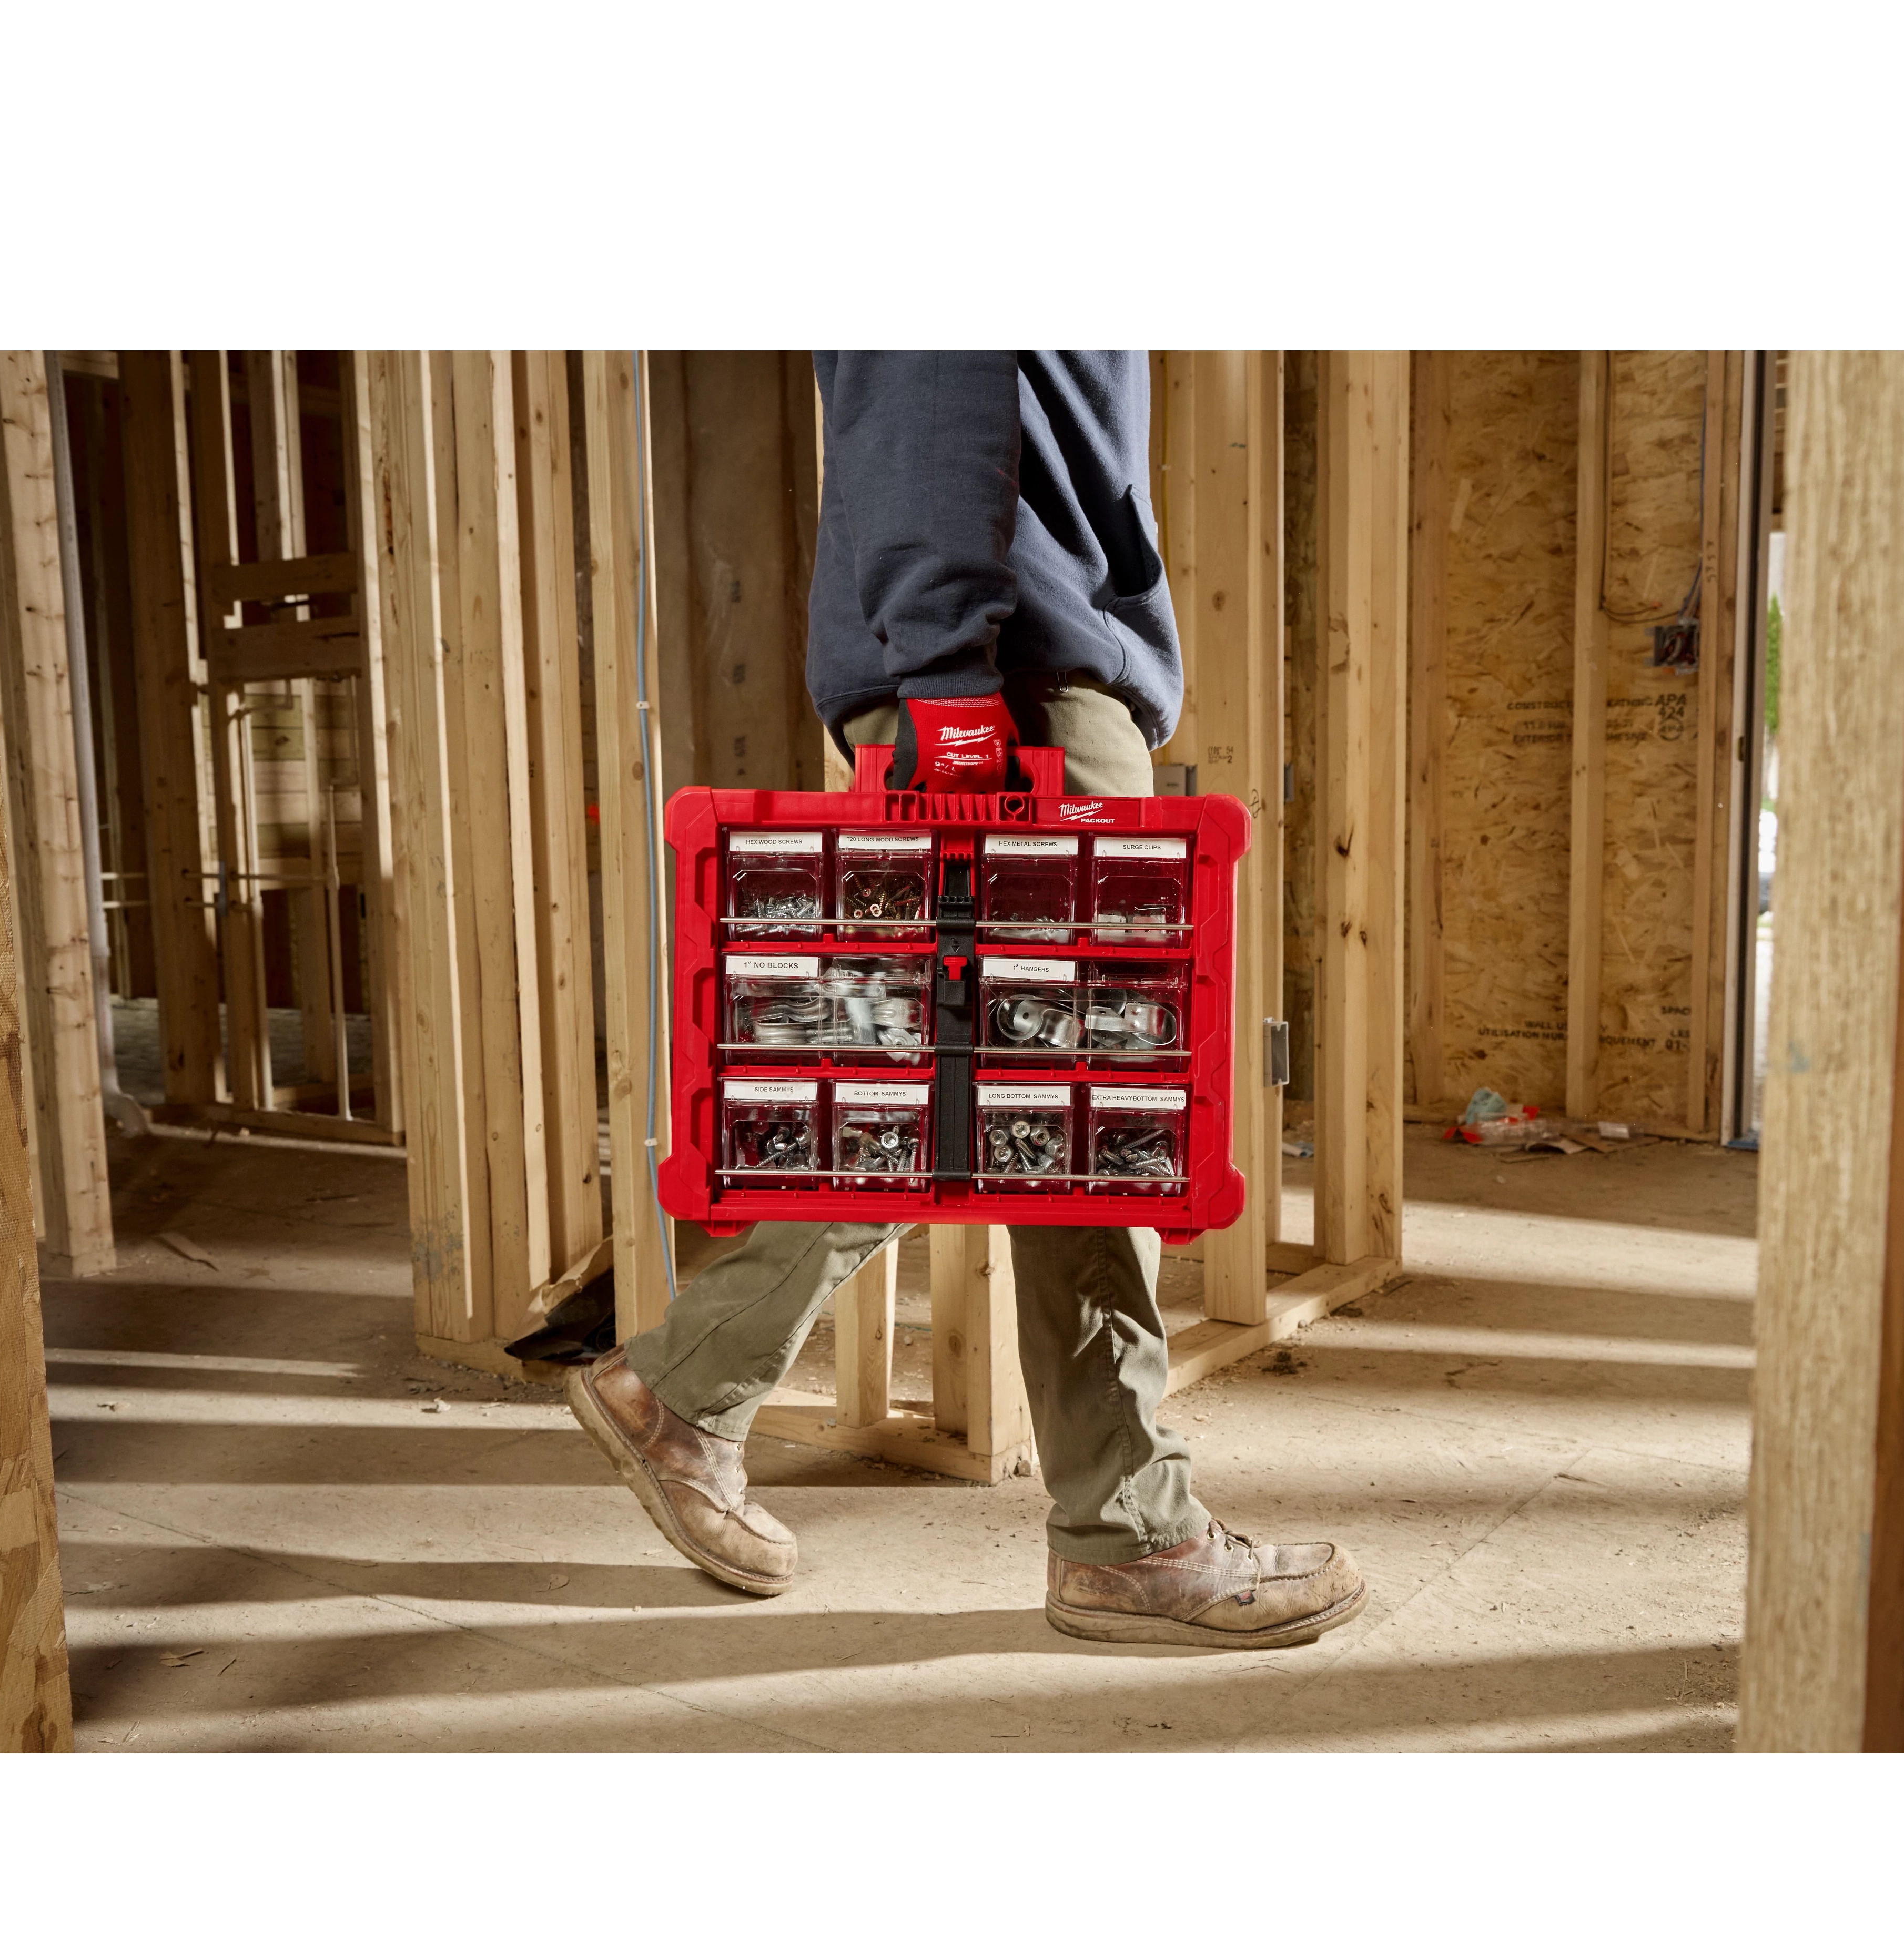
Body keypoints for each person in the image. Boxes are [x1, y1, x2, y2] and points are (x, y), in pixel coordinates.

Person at [566, 350, 1366, 1651]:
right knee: (1078, 1125)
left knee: (992, 1116)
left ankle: (688, 1388)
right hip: (1008, 695)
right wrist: (949, 694)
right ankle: (1130, 1537)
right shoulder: (975, 685)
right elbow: (936, 402)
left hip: (1002, 679)